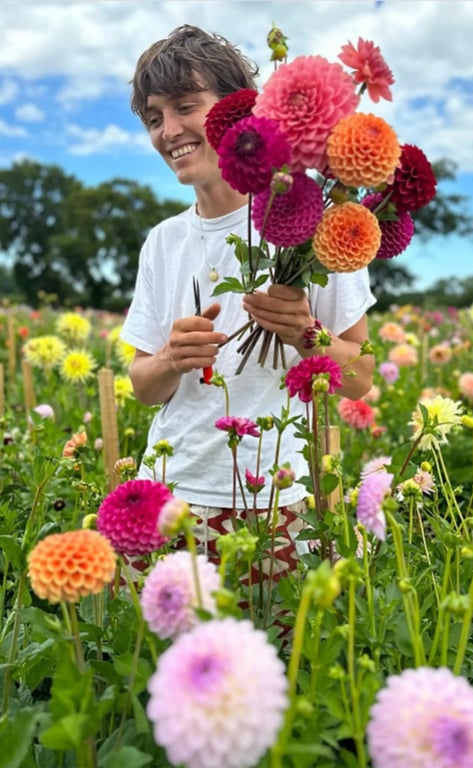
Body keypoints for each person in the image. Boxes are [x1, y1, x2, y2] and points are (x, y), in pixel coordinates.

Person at [121, 24, 376, 577]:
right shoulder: (164, 241)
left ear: (235, 112)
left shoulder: (311, 221)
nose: (169, 131)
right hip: (171, 491)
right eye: (153, 118)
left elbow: (360, 377)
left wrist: (308, 336)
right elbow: (142, 387)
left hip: (276, 500)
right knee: (158, 661)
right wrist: (170, 358)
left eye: (185, 107)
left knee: (275, 661)